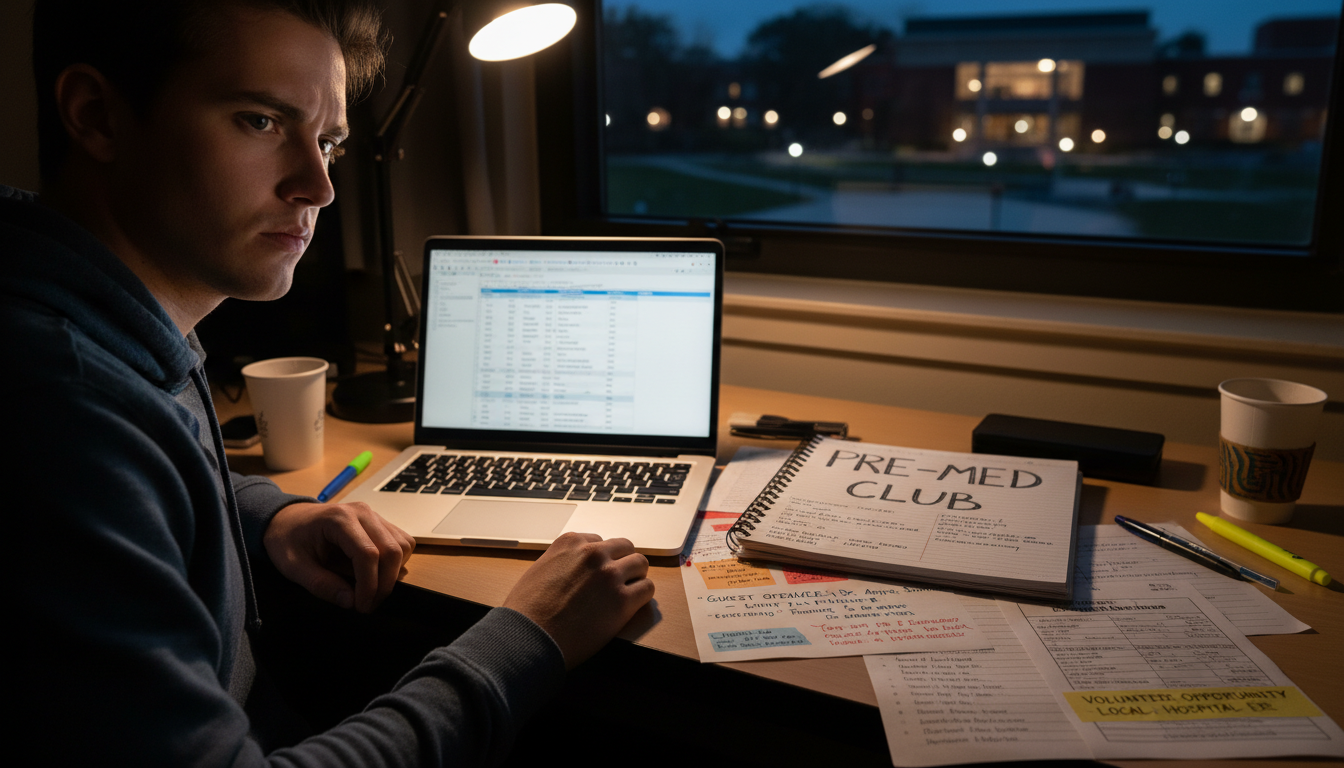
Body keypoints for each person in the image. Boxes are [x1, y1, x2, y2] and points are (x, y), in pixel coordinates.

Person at [3, 0, 655, 763]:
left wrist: (268, 516)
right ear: (97, 116)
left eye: (330, 143)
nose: (319, 188)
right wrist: (530, 635)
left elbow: (154, 492)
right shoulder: (62, 410)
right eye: (260, 121)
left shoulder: (104, 318)